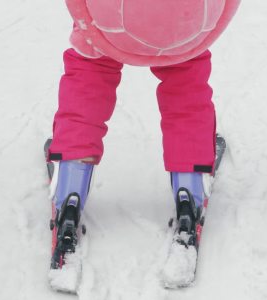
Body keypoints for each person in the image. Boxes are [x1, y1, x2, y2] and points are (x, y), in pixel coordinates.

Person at [46, 0, 240, 274]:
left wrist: (85, 20)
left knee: (91, 65)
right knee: (185, 70)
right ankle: (189, 190)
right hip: (189, 17)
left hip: (111, 16)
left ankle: (70, 184)